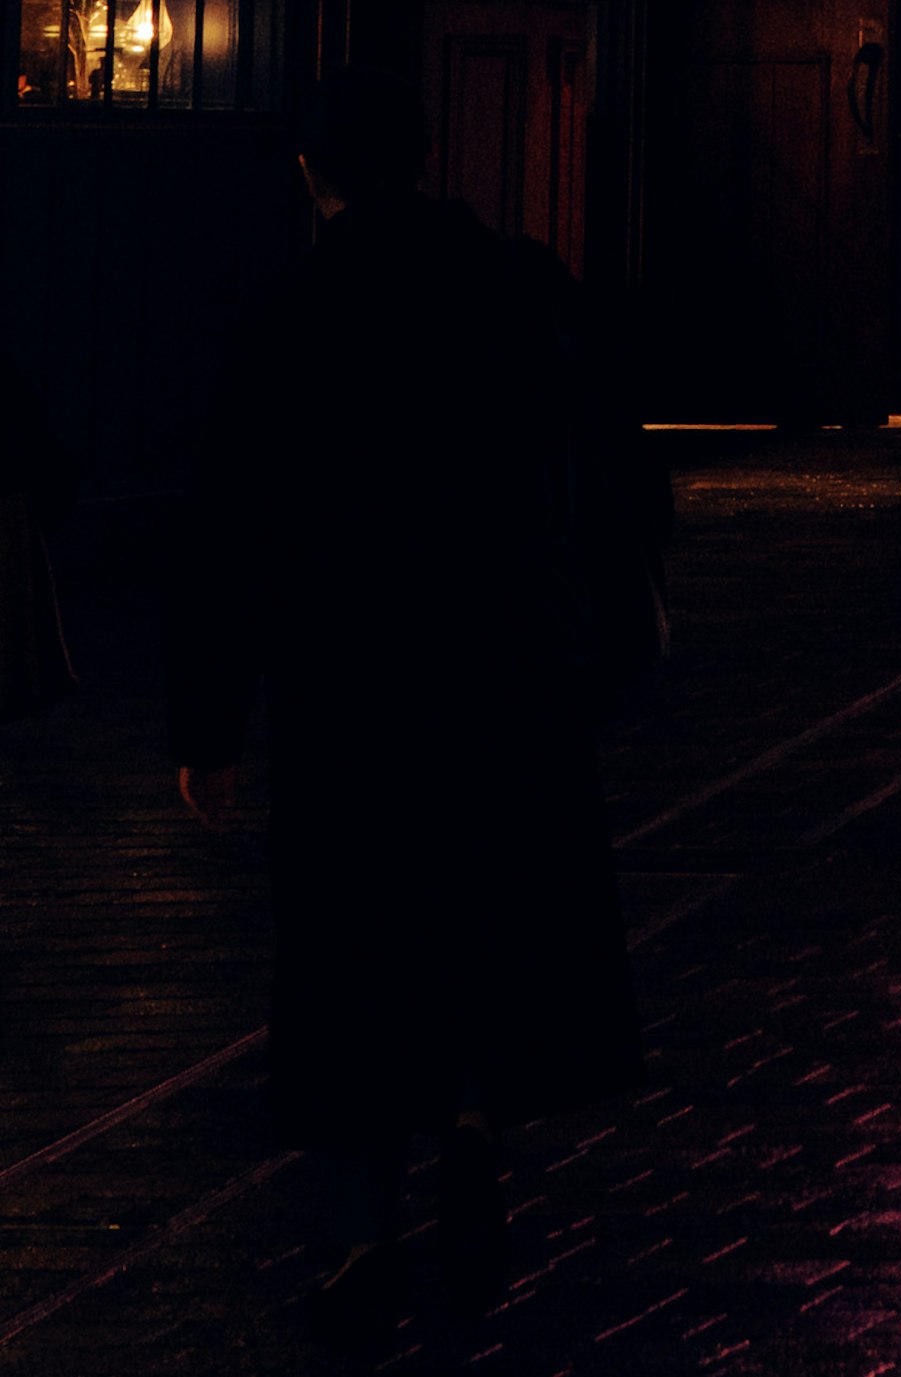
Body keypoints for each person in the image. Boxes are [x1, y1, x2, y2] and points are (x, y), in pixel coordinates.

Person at [170, 72, 660, 1340]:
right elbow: (603, 463)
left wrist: (208, 724)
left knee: (344, 945)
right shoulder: (519, 284)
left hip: (349, 680)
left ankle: (360, 1233)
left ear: (310, 171)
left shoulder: (291, 313)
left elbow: (232, 527)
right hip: (501, 657)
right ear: (429, 155)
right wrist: (619, 612)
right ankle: (474, 1110)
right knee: (492, 907)